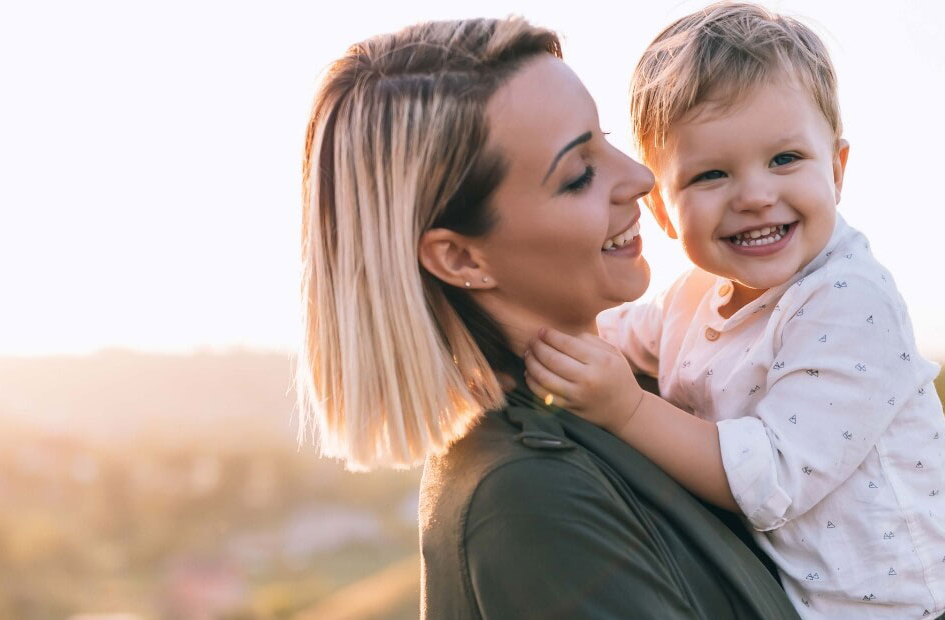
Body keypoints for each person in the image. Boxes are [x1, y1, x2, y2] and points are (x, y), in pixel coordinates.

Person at [298, 16, 800, 620]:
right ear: (461, 256)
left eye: (605, 138)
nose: (641, 179)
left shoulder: (636, 396)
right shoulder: (526, 499)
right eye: (578, 174)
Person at [524, 4, 945, 619]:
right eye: (711, 174)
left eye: (784, 160)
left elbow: (771, 477)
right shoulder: (692, 297)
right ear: (664, 211)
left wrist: (625, 408)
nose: (754, 195)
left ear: (836, 168)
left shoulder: (849, 302)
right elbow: (607, 337)